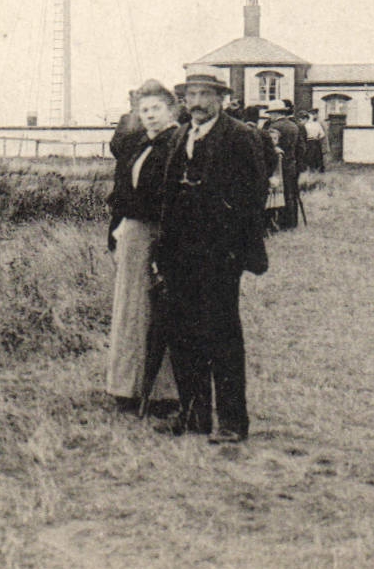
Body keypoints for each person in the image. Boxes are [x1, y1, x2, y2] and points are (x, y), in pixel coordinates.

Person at [155, 71, 269, 444]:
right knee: (183, 333)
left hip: (220, 253)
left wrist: (236, 246)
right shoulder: (179, 137)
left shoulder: (240, 136)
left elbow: (254, 195)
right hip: (180, 253)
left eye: (205, 94)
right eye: (191, 95)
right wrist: (164, 247)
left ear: (221, 99)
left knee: (222, 335)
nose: (197, 102)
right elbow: (168, 196)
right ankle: (194, 414)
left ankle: (232, 421)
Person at [105, 81, 179, 415]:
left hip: (165, 234)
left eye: (156, 108)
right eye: (144, 110)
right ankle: (127, 388)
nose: (149, 115)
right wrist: (117, 228)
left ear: (171, 110)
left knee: (161, 310)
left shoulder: (178, 143)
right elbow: (122, 190)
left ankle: (164, 393)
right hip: (133, 235)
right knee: (130, 309)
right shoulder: (138, 144)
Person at [264, 100, 303, 231]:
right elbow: (301, 148)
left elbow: (268, 147)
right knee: (290, 192)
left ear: (276, 113)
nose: (270, 116)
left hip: (277, 166)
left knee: (277, 193)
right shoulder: (294, 126)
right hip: (291, 164)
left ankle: (280, 222)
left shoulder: (273, 127)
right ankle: (292, 223)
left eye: (271, 113)